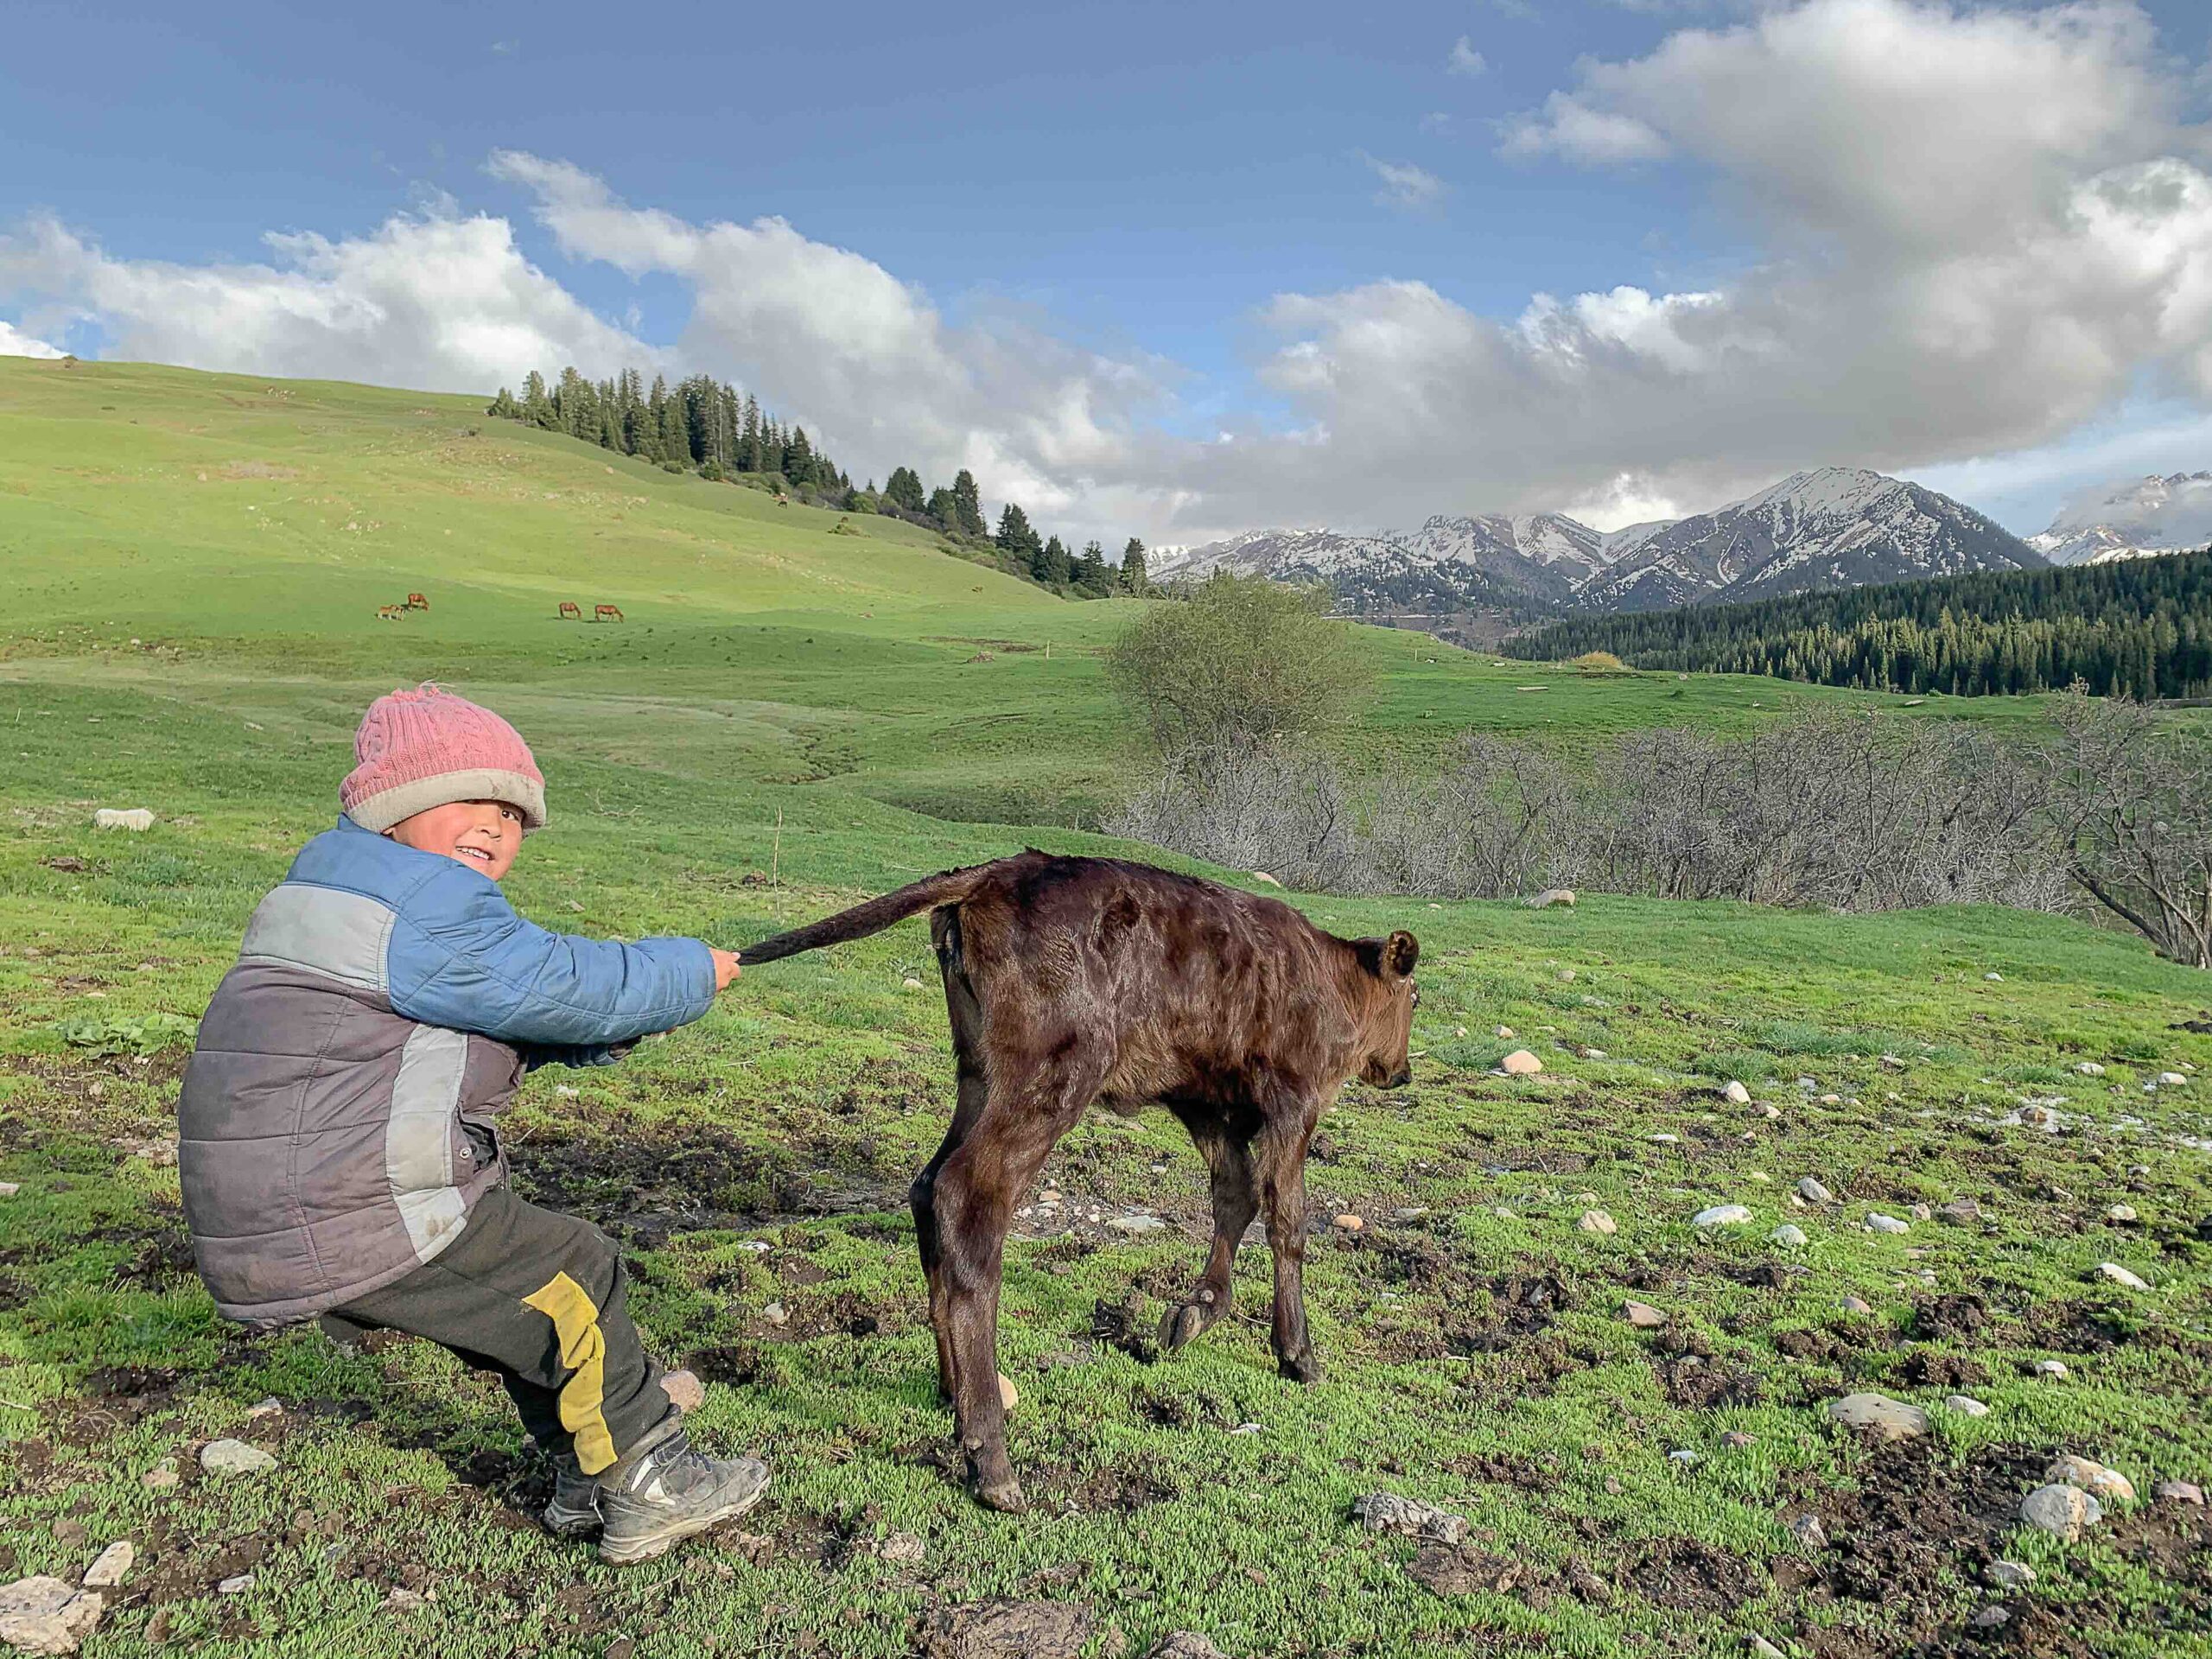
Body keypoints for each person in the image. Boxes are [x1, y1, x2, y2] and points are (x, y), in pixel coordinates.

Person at [177, 683, 765, 1565]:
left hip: (283, 1202)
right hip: (343, 1203)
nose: (496, 826)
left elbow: (475, 1025)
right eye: (469, 799)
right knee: (576, 1269)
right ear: (394, 807)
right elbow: (562, 985)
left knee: (526, 1309)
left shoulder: (341, 894)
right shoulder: (420, 903)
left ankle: (584, 1479)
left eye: (515, 812)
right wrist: (687, 974)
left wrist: (601, 1036)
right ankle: (651, 1481)